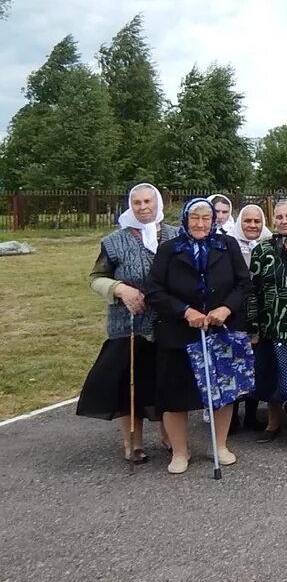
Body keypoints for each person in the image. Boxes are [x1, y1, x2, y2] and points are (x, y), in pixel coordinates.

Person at [145, 198, 252, 475]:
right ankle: (180, 452)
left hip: (220, 329)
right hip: (179, 331)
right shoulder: (169, 249)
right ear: (185, 219)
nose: (200, 223)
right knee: (175, 393)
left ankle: (220, 446)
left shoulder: (226, 246)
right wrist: (185, 311)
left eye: (206, 218)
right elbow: (154, 291)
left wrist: (226, 308)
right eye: (195, 218)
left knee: (223, 389)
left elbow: (244, 284)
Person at [78, 183, 176, 462]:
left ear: (158, 203)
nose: (143, 207)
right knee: (130, 382)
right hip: (128, 324)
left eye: (148, 201)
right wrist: (120, 288)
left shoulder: (174, 235)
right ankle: (132, 442)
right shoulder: (114, 241)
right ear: (130, 206)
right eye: (137, 203)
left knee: (164, 381)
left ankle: (170, 436)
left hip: (167, 323)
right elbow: (96, 278)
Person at [246, 199, 287, 441]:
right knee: (272, 374)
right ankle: (273, 423)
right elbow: (253, 289)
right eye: (280, 217)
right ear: (273, 221)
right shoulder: (262, 249)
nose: (284, 221)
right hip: (271, 322)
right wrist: (253, 326)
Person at [225, 203, 272, 270]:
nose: (252, 225)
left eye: (257, 221)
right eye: (247, 221)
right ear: (239, 222)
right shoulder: (227, 243)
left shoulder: (271, 242)